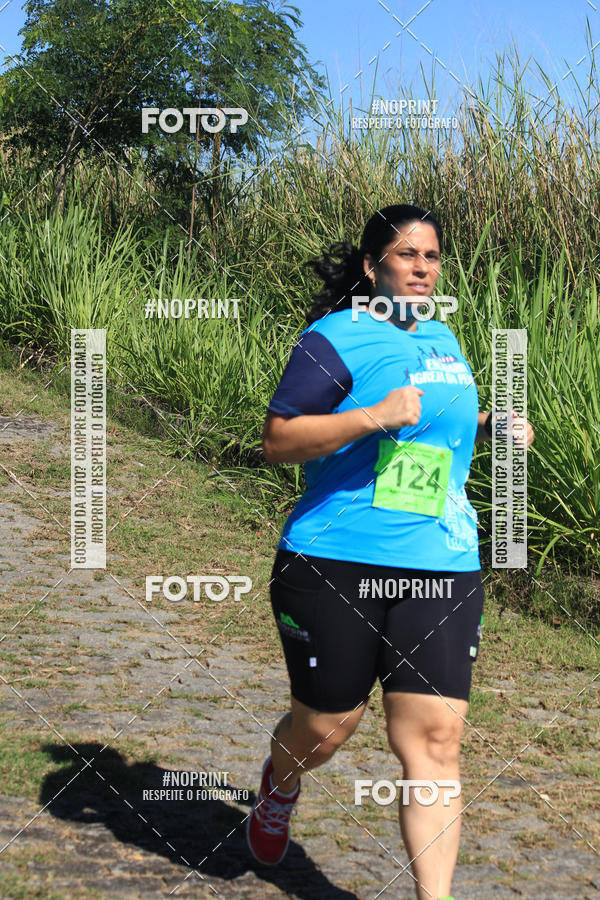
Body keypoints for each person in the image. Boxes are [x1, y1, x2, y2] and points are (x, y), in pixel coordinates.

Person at [246, 204, 534, 900]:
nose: (422, 269)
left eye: (431, 257)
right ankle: (280, 783)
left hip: (441, 560)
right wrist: (373, 416)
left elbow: (434, 426)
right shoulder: (333, 338)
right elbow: (279, 441)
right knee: (326, 729)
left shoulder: (442, 338)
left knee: (434, 741)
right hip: (336, 560)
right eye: (407, 255)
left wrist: (492, 426)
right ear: (373, 265)